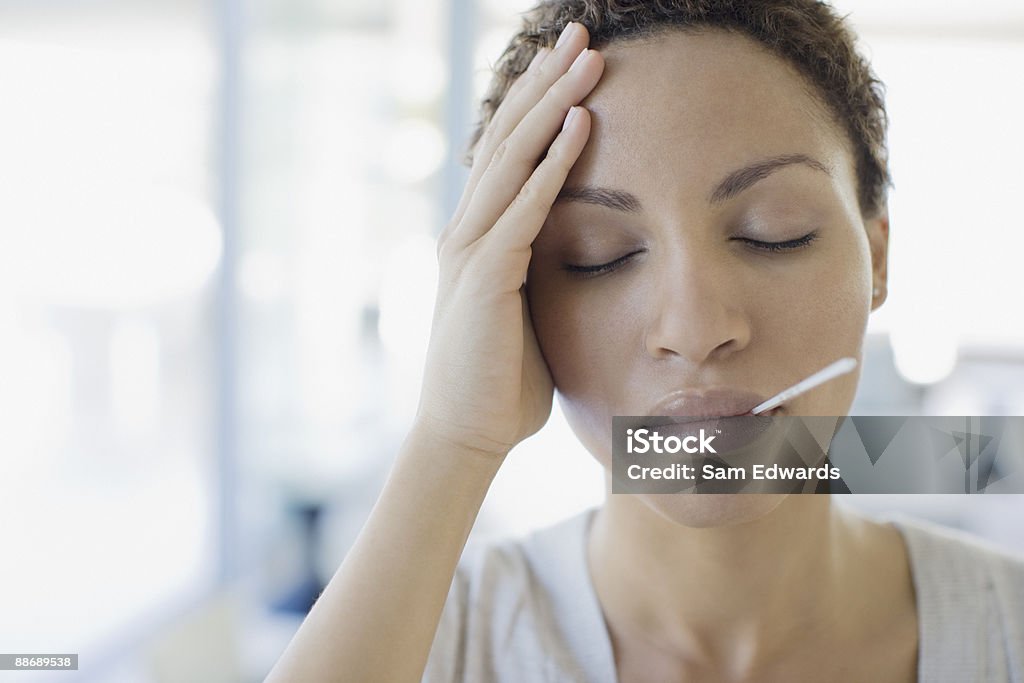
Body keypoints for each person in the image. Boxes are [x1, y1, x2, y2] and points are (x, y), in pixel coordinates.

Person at [267, 1, 1024, 681]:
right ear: (522, 294)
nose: (694, 329)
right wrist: (453, 440)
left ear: (877, 258)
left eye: (773, 236)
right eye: (599, 254)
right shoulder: (432, 645)